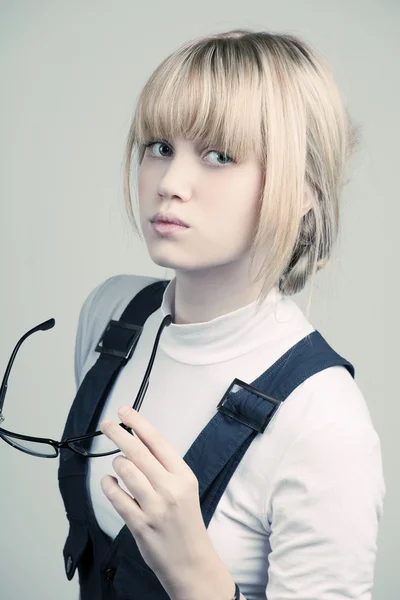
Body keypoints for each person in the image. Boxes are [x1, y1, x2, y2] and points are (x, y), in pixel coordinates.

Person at [58, 29, 386, 600]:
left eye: (218, 155)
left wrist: (194, 573)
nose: (170, 184)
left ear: (303, 188)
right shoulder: (112, 315)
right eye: (160, 146)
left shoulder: (323, 418)